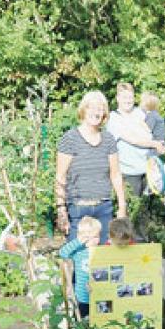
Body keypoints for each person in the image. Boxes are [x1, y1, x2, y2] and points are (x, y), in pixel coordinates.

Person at [55, 91, 126, 244]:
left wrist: (122, 207)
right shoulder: (70, 139)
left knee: (103, 261)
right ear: (83, 110)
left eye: (100, 109)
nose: (96, 112)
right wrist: (61, 210)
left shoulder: (108, 139)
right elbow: (60, 177)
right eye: (92, 108)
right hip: (78, 210)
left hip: (104, 209)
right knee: (77, 259)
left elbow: (116, 175)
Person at [107, 82, 165, 198]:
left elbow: (152, 132)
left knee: (150, 206)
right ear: (117, 98)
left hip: (149, 170)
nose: (128, 101)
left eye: (130, 97)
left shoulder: (140, 113)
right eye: (124, 97)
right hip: (129, 173)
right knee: (133, 208)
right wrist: (155, 143)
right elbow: (132, 139)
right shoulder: (113, 118)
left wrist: (160, 144)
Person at [108, 217, 142, 329]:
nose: (122, 247)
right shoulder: (105, 249)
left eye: (125, 244)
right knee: (116, 317)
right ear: (111, 237)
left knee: (131, 316)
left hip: (130, 289)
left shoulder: (135, 248)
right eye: (119, 244)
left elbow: (145, 264)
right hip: (114, 289)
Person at [59, 216, 101, 318]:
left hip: (99, 295)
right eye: (90, 238)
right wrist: (78, 242)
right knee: (81, 322)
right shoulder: (79, 252)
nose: (95, 241)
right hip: (82, 297)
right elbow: (63, 253)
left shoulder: (101, 251)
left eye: (97, 237)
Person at [141, 91, 165, 158]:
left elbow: (147, 129)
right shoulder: (155, 114)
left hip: (155, 147)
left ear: (146, 104)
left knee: (150, 164)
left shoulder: (151, 116)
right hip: (159, 144)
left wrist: (139, 122)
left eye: (142, 101)